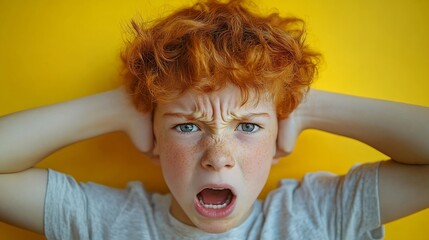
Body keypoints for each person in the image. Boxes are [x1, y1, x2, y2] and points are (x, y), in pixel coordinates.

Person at [0, 0, 428, 239]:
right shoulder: (110, 223)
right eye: (187, 126)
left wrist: (307, 106)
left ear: (279, 137)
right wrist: (121, 107)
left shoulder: (318, 217)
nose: (217, 157)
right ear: (154, 139)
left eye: (248, 126)